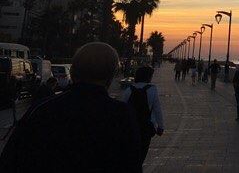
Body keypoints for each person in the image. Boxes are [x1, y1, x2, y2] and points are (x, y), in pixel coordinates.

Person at [0, 42, 141, 172]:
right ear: (111, 76)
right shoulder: (121, 115)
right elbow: (131, 164)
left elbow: (11, 159)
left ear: (73, 72)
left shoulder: (43, 109)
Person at [122, 66, 165, 165]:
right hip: (146, 127)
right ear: (148, 77)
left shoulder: (129, 89)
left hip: (130, 126)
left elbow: (122, 108)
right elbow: (157, 109)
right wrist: (161, 127)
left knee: (131, 153)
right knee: (142, 153)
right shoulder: (152, 90)